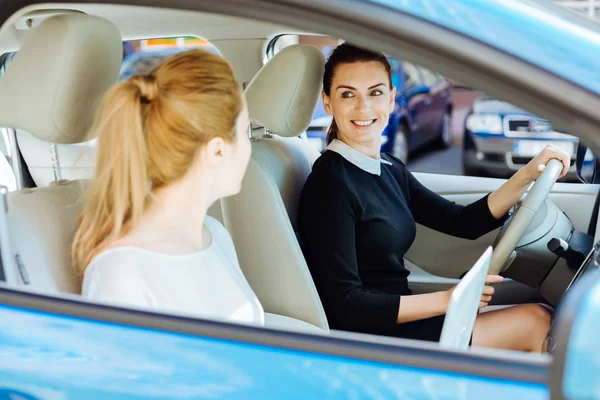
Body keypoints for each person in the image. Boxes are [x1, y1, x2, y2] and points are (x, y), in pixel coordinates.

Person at [298, 43, 571, 352]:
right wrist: (449, 299)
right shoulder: (330, 184)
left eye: (375, 93)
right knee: (536, 322)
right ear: (328, 103)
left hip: (399, 317)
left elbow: (462, 221)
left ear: (391, 99)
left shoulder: (388, 167)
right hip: (371, 335)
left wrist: (526, 175)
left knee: (542, 313)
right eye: (348, 94)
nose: (363, 108)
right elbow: (347, 305)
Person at [72, 49, 264, 326]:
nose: (249, 147)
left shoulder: (215, 235)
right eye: (245, 130)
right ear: (218, 151)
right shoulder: (121, 275)